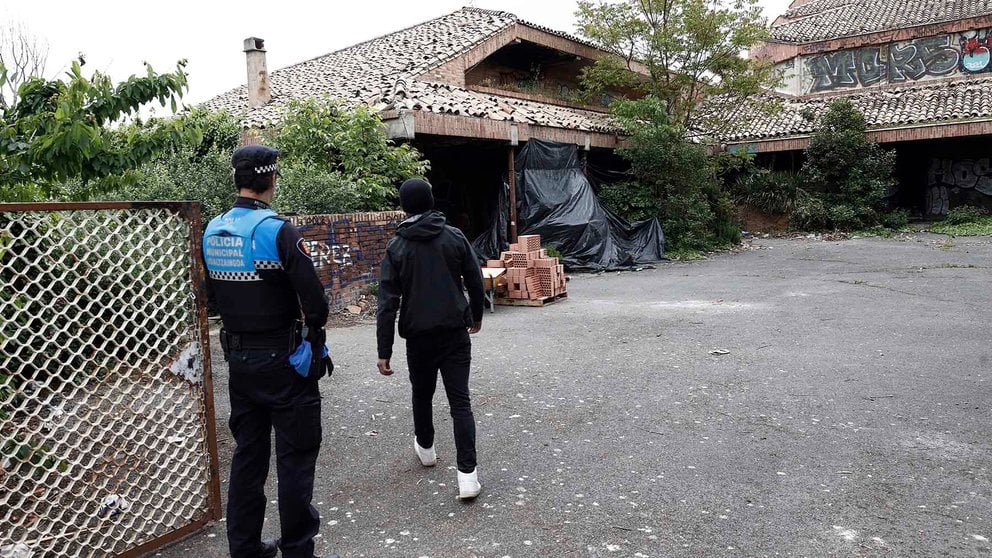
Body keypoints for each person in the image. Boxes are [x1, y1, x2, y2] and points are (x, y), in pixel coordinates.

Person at [202, 145, 337, 558]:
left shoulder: (212, 230)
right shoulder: (278, 231)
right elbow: (315, 303)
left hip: (240, 362)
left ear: (236, 180)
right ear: (272, 180)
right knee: (295, 459)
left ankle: (244, 548)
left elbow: (210, 296)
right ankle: (297, 549)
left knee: (248, 459)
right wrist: (314, 336)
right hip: (284, 362)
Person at [376, 178, 486, 500]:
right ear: (432, 201)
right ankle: (468, 476)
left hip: (418, 339)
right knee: (460, 402)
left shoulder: (396, 247)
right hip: (454, 333)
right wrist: (475, 316)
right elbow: (476, 280)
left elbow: (387, 303)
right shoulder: (453, 236)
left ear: (404, 207)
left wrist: (384, 350)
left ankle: (426, 448)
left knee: (422, 395)